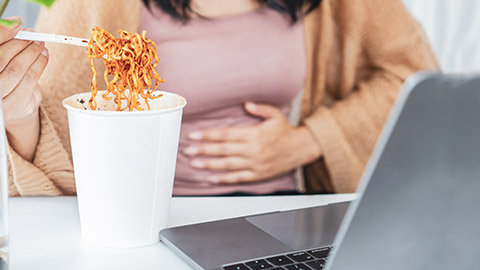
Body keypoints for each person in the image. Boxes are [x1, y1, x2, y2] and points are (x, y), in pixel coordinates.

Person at [2, 0, 438, 196]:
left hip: (284, 214)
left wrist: (311, 140)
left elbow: (417, 75)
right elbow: (53, 137)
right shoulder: (98, 6)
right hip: (156, 217)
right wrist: (19, 115)